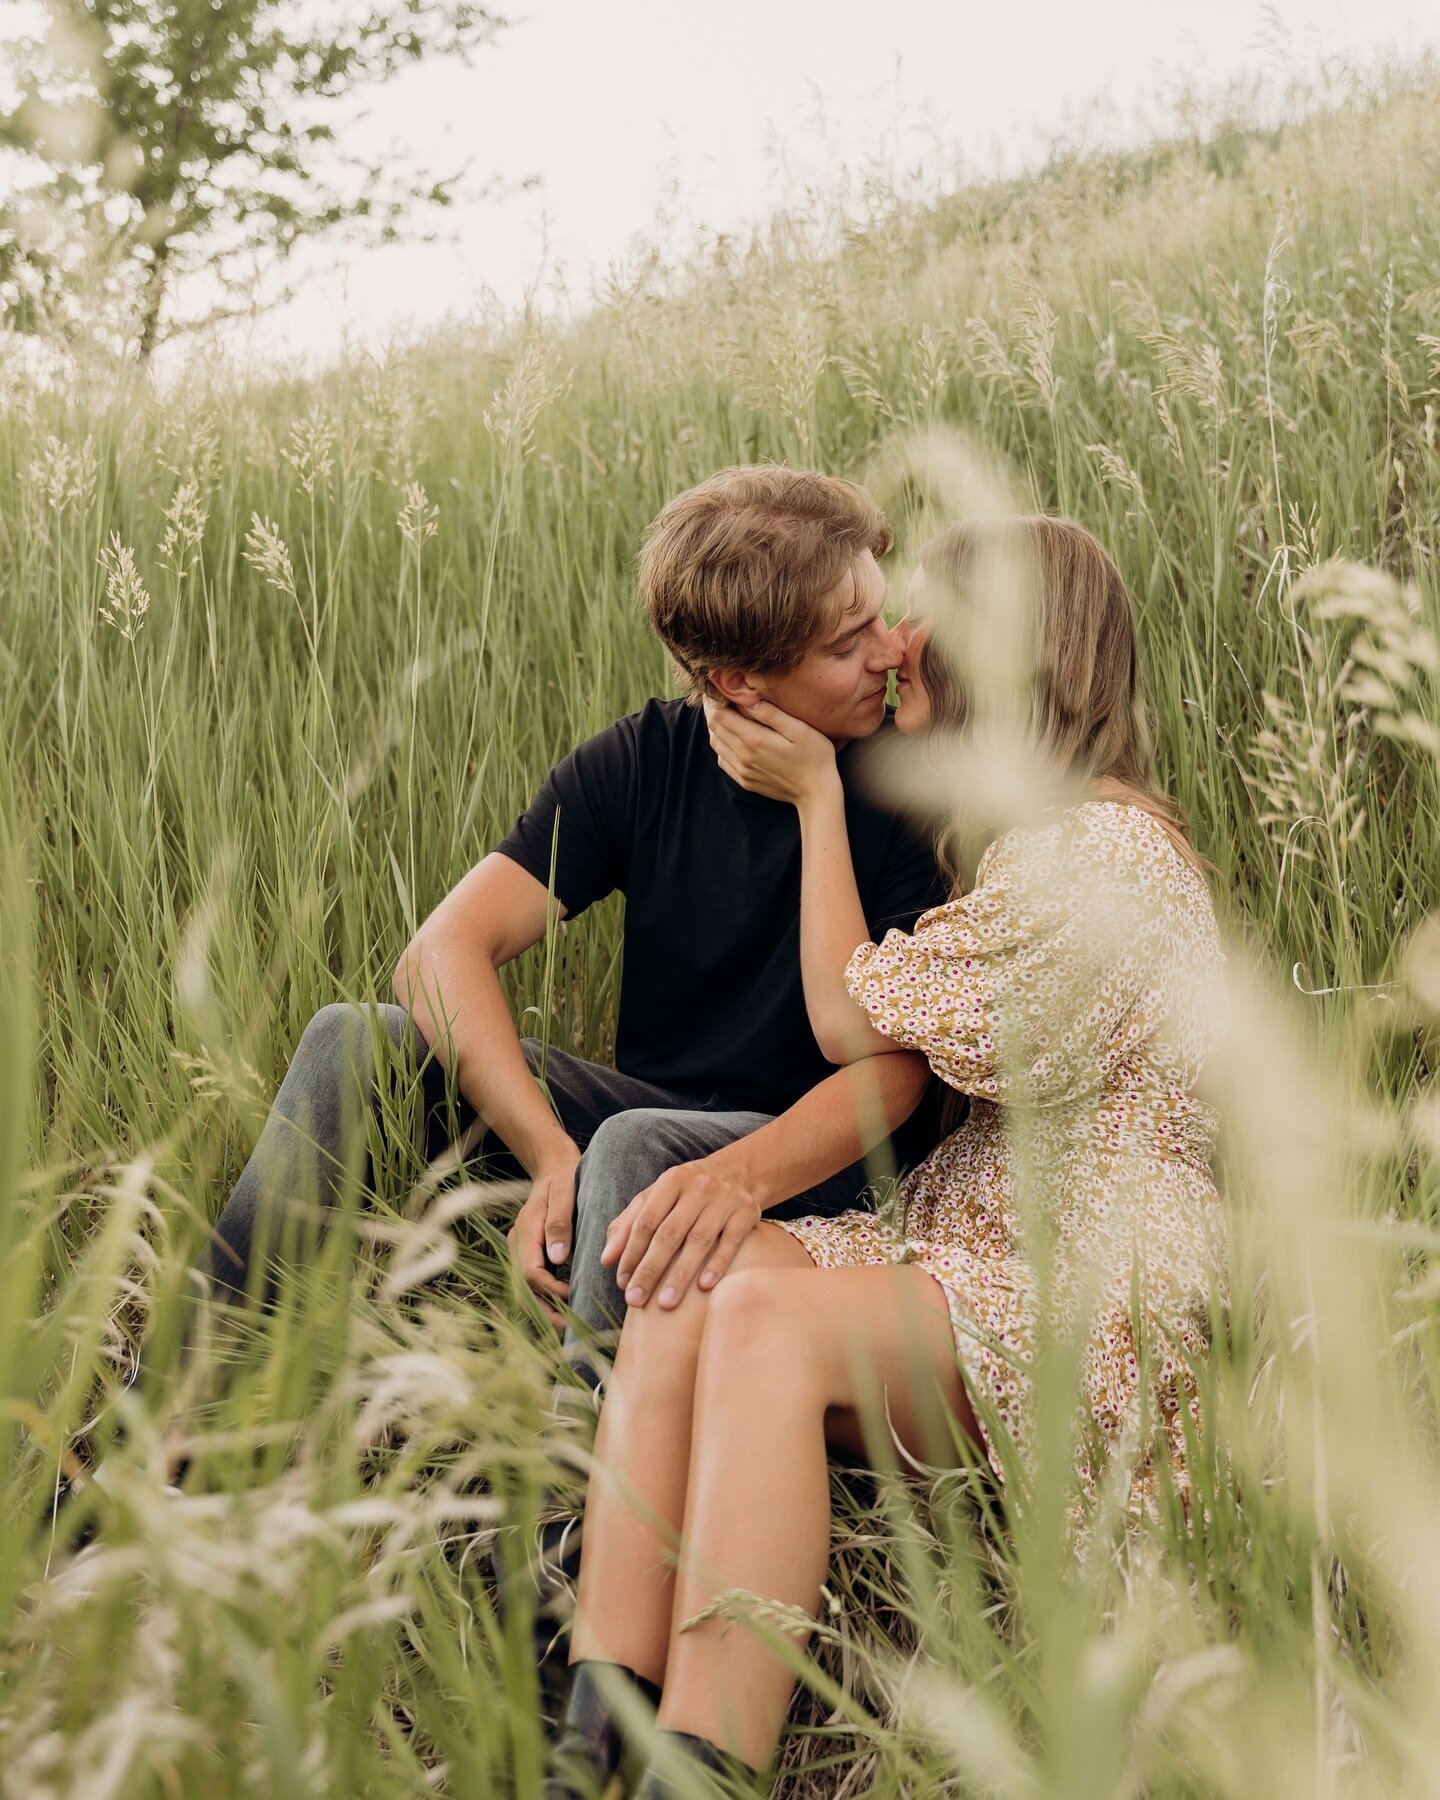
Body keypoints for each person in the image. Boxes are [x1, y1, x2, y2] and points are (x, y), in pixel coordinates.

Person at [549, 515, 1228, 1797]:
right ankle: (587, 1744)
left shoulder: (1107, 856)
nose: (896, 653)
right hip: (970, 1246)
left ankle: (699, 1765)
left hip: (1088, 1291)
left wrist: (813, 799)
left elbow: (847, 1019)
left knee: (759, 1318)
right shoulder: (1038, 846)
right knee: (688, 1270)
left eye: (921, 631)